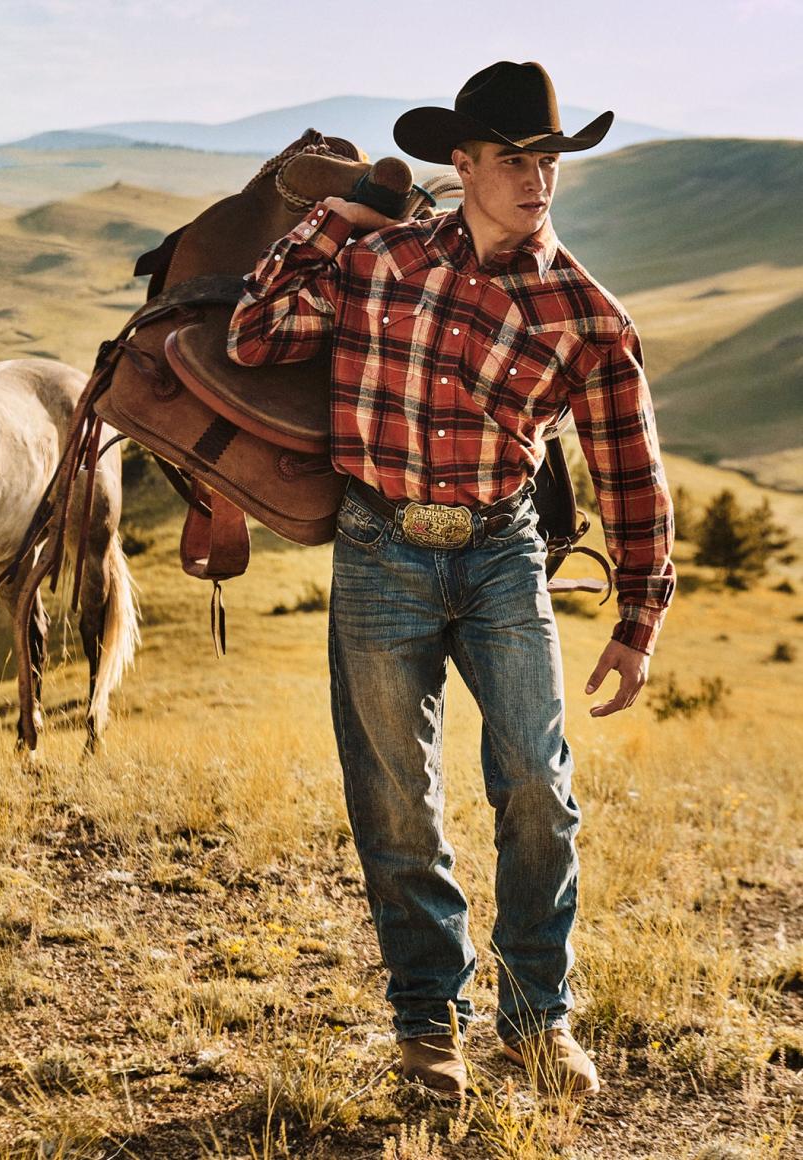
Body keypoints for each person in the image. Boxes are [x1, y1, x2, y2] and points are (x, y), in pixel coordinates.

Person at [228, 61, 675, 1100]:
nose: (535, 179)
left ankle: (534, 1020)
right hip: (378, 547)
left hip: (500, 550)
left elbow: (628, 471)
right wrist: (334, 217)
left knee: (536, 789)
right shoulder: (375, 260)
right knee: (392, 803)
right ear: (461, 163)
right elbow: (255, 333)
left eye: (548, 160)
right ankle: (427, 1024)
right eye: (512, 158)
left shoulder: (583, 313)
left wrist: (639, 616)